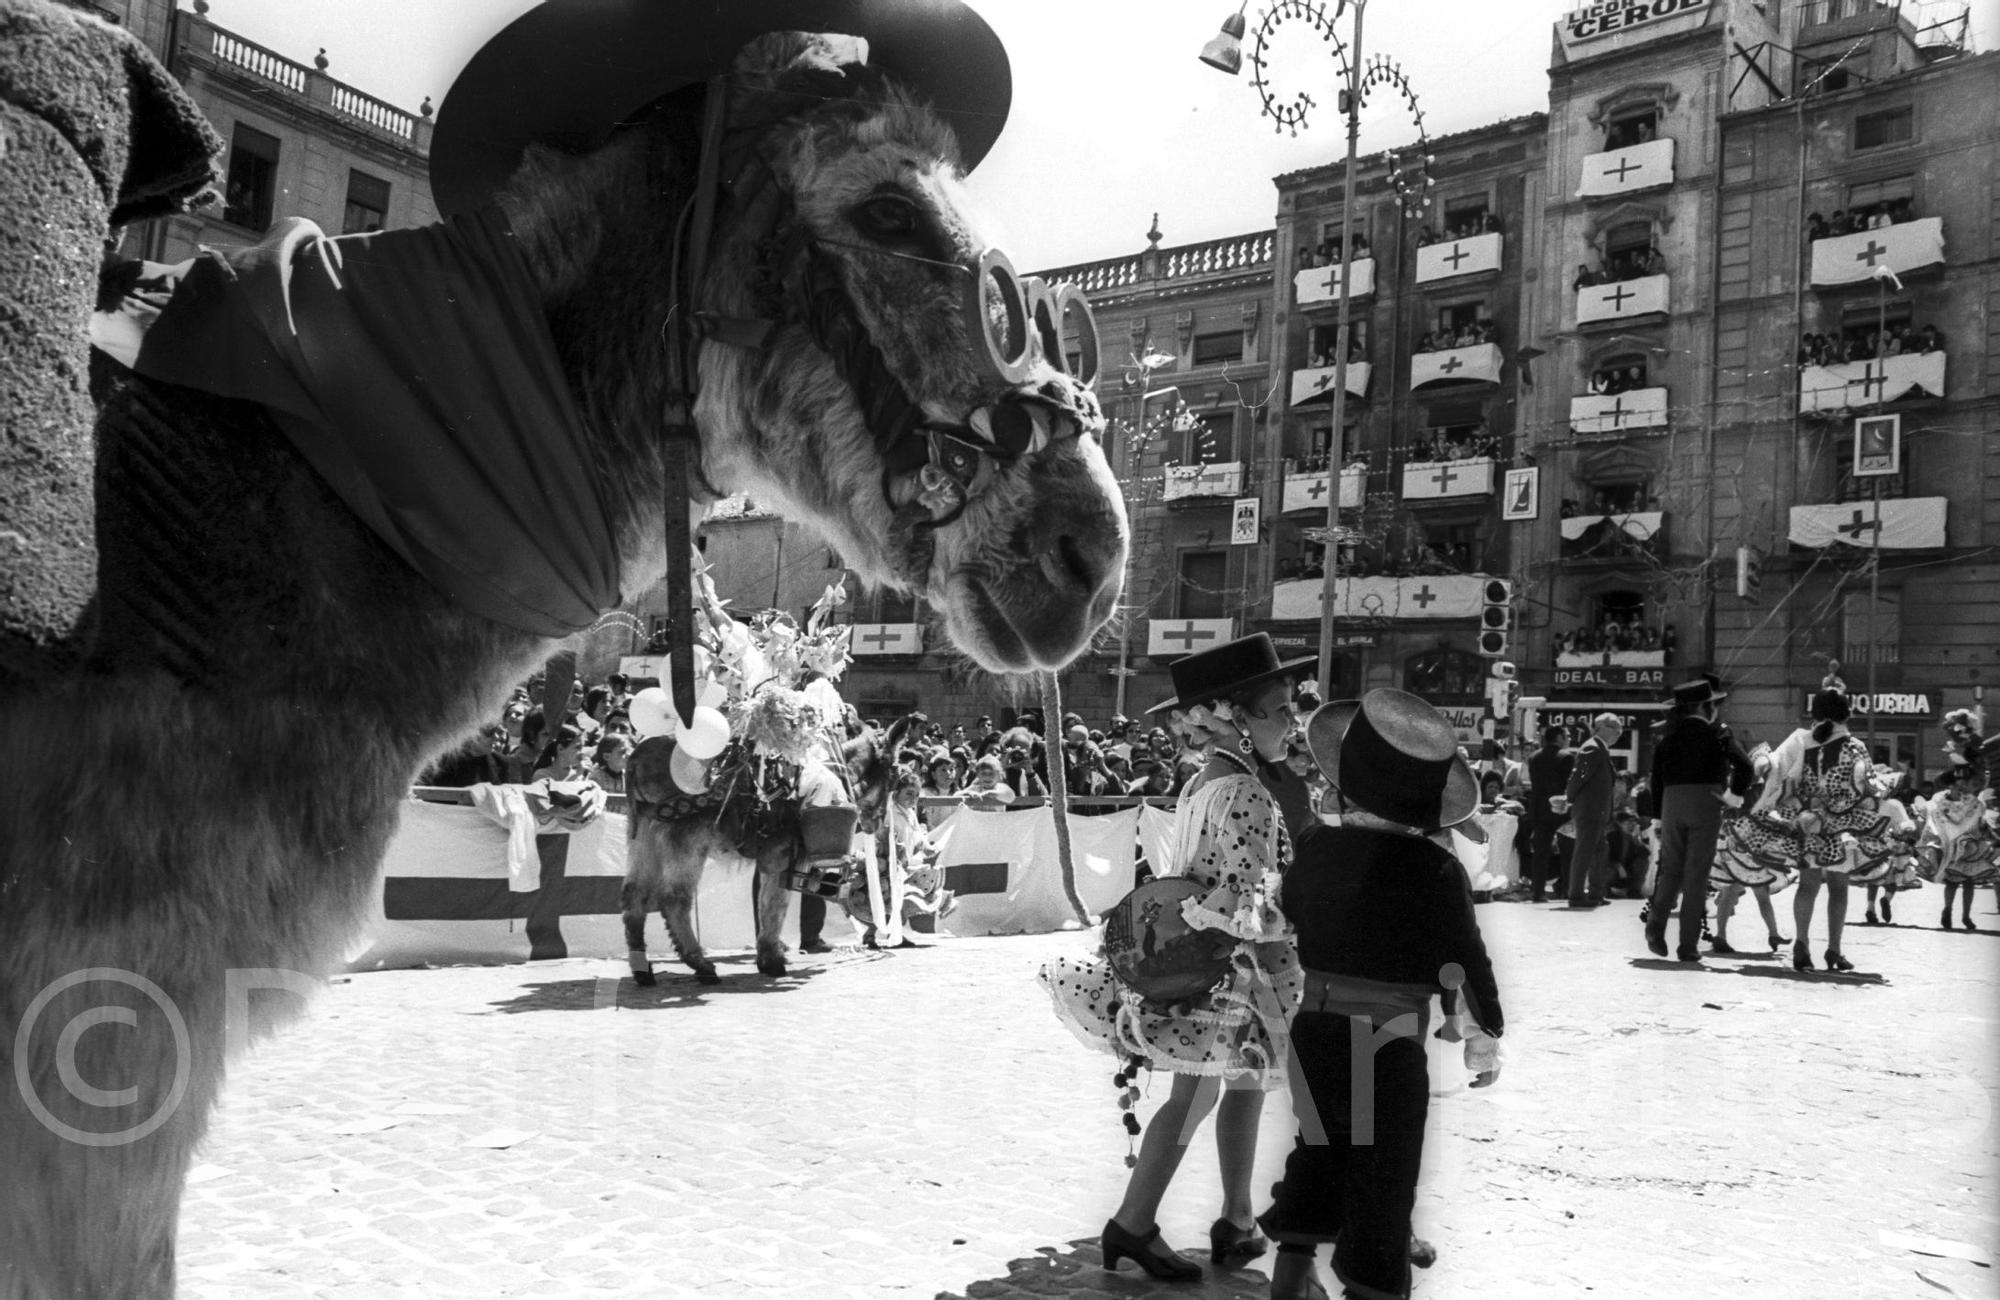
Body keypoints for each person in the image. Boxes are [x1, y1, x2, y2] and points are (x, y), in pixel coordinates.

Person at [1039, 634, 1310, 1281]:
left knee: (1229, 1090)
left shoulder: (1202, 784)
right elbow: (1250, 903)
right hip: (1236, 974)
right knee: (1201, 1097)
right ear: (1238, 720)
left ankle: (1237, 1220)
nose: (1294, 721)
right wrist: (1312, 913)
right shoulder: (1244, 793)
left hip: (1213, 973)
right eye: (1281, 709)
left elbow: (1189, 879)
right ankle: (1136, 1224)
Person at [1257, 690, 1504, 1300]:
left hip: (1312, 1036)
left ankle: (1291, 1271)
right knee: (1383, 1173)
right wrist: (1481, 1039)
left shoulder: (1316, 849)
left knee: (1316, 1146)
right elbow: (1463, 962)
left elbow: (1280, 919)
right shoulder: (1437, 870)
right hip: (1385, 1046)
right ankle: (1371, 1289)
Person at [1645, 678, 1754, 962]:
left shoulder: (1668, 735)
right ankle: (1687, 945)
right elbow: (1745, 766)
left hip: (1671, 803)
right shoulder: (1718, 732)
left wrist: (1657, 818)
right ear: (1706, 707)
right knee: (1696, 875)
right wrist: (1734, 797)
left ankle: (1655, 924)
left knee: (1670, 869)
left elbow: (1655, 779)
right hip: (1706, 802)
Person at [1708, 745, 1796, 953]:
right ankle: (1768, 934)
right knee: (1753, 892)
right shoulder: (1757, 786)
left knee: (1738, 891)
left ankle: (1724, 935)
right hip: (1748, 839)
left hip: (1739, 839)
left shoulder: (1742, 784)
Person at [1559, 713, 1623, 908]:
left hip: (1598, 812)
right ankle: (1576, 895)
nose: (1618, 734)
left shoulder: (1599, 749)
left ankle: (1595, 893)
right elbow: (1578, 778)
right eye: (1615, 728)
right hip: (1590, 811)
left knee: (1599, 852)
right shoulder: (1592, 748)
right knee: (1584, 853)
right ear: (1601, 727)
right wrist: (1567, 799)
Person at [1523, 725, 1574, 903]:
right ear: (1559, 737)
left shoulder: (1533, 758)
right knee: (1568, 852)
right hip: (1561, 810)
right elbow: (1569, 785)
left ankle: (1538, 892)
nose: (1568, 738)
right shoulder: (1566, 757)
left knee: (1540, 853)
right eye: (1566, 735)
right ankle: (1568, 890)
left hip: (1540, 810)